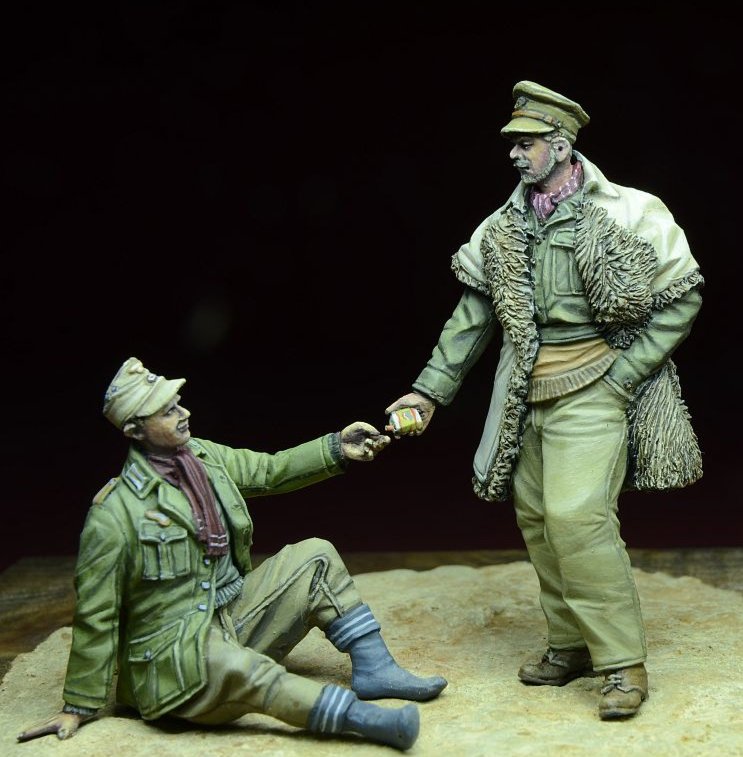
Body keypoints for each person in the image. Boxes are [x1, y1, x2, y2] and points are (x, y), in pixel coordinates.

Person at [385, 81, 703, 720]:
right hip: (526, 392)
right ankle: (571, 644)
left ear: (560, 145)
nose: (514, 154)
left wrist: (624, 377)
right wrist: (427, 391)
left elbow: (683, 296)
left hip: (595, 387)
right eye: (513, 143)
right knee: (537, 518)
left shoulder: (630, 211)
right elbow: (472, 316)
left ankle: (622, 662)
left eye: (526, 143)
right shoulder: (503, 226)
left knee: (578, 517)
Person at [19, 356, 447, 750]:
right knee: (245, 670)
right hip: (175, 657)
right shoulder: (115, 514)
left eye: (177, 403)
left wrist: (336, 447)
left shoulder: (204, 458)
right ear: (135, 430)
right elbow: (96, 613)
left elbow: (270, 470)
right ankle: (366, 721)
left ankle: (375, 669)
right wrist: (78, 703)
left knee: (316, 556)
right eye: (167, 411)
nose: (183, 413)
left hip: (233, 615)